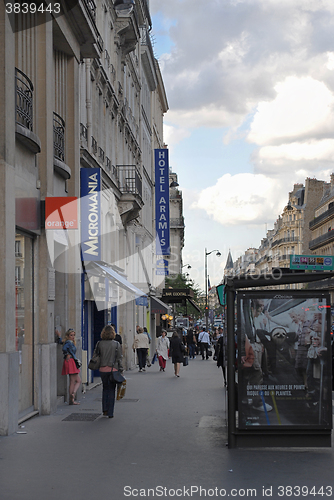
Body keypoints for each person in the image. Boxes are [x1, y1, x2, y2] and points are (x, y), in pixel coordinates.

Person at [92, 324, 123, 418]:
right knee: (111, 390)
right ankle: (110, 412)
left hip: (102, 369)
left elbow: (95, 355)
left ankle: (104, 409)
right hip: (113, 369)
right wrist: (121, 370)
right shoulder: (116, 344)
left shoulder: (99, 343)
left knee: (105, 389)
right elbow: (119, 358)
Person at [56, 328, 81, 405]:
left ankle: (72, 398)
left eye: (73, 335)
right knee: (76, 381)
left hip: (70, 361)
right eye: (71, 335)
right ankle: (72, 395)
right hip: (71, 361)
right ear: (68, 336)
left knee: (73, 380)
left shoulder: (67, 341)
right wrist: (67, 354)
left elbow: (61, 342)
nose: (73, 337)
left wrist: (59, 336)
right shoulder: (69, 342)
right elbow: (64, 348)